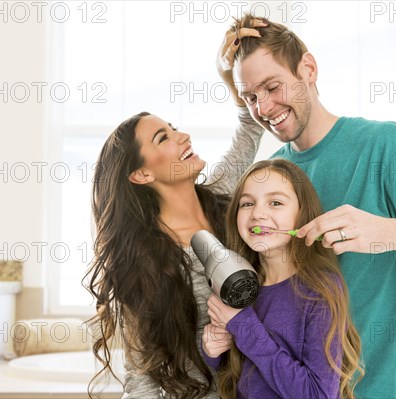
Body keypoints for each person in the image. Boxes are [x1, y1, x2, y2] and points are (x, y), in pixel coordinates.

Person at [216, 14, 396, 399]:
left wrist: (390, 233)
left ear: (308, 68)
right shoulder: (270, 178)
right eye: (250, 97)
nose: (264, 106)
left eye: (273, 87)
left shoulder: (384, 146)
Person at [84, 19, 267, 399]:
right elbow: (143, 376)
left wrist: (226, 72)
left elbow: (251, 125)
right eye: (162, 137)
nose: (182, 135)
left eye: (173, 126)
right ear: (141, 173)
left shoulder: (225, 199)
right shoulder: (140, 262)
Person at [201, 159, 364, 398]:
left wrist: (242, 324)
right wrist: (213, 351)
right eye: (247, 203)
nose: (257, 213)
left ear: (302, 216)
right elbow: (246, 372)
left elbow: (317, 394)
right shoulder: (235, 284)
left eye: (275, 203)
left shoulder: (319, 289)